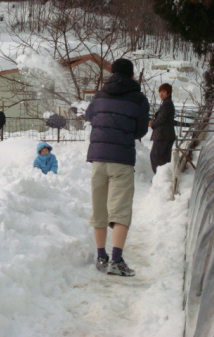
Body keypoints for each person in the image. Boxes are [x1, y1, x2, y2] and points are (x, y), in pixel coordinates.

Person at [85, 58, 149, 277]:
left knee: (100, 209)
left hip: (98, 159)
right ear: (132, 76)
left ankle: (101, 256)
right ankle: (116, 260)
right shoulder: (139, 99)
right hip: (121, 159)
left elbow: (90, 117)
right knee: (120, 212)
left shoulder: (99, 95)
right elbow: (141, 130)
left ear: (111, 74)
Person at [149, 83, 176, 174]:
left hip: (163, 135)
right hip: (167, 135)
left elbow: (161, 119)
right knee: (164, 158)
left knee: (155, 156)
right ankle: (163, 178)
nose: (161, 94)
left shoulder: (167, 104)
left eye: (163, 92)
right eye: (160, 91)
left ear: (168, 93)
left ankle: (159, 177)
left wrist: (152, 123)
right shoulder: (167, 103)